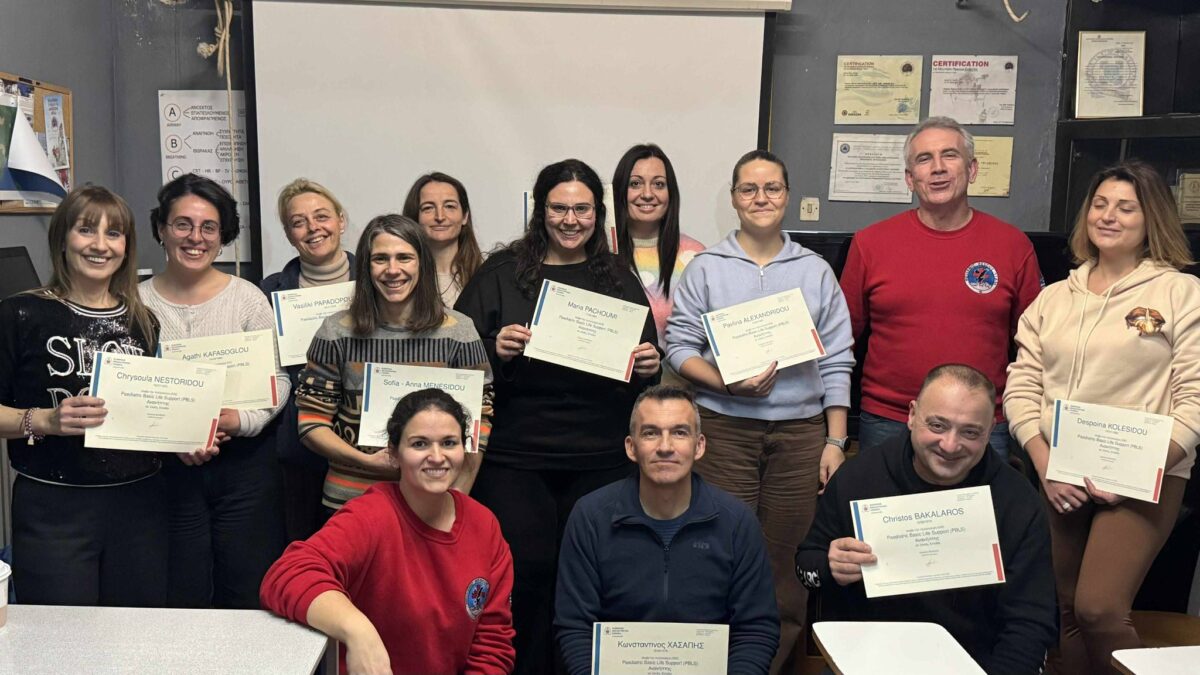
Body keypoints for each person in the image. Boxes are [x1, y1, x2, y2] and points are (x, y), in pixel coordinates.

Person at [455, 158, 661, 675]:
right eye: (559, 208)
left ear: (598, 213)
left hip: (600, 458)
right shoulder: (500, 274)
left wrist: (649, 365)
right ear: (540, 211)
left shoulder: (617, 276)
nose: (571, 220)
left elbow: (646, 363)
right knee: (523, 576)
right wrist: (494, 348)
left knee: (593, 578)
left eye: (582, 209)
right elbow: (457, 357)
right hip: (516, 459)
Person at [1004, 161, 1200, 674]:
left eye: (1126, 208)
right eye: (1100, 204)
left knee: (1099, 607)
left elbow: (1194, 398)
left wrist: (1138, 471)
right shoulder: (1053, 299)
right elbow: (1021, 389)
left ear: (1150, 218)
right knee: (1068, 610)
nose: (1108, 216)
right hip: (1061, 473)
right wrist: (1044, 464)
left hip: (1147, 475)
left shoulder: (1180, 293)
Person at [665, 149, 853, 674]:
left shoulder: (814, 271)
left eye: (772, 188)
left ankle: (766, 667)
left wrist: (835, 441)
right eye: (749, 189)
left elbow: (838, 358)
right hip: (723, 431)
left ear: (787, 195)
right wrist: (725, 381)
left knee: (786, 562)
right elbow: (678, 346)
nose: (761, 198)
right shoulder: (707, 267)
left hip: (799, 437)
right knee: (716, 550)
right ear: (734, 198)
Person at [797, 364, 1057, 674]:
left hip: (973, 665)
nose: (950, 445)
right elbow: (806, 565)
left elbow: (1030, 623)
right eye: (937, 425)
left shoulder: (1017, 501)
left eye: (970, 432)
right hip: (865, 661)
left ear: (990, 430)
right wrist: (829, 567)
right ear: (911, 415)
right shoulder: (858, 477)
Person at [261, 388, 516, 675]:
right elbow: (288, 574)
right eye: (419, 444)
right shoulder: (371, 515)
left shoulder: (484, 525)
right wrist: (358, 630)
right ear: (394, 454)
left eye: (449, 443)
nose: (436, 456)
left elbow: (492, 646)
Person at [0, 186, 167, 607]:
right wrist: (44, 420)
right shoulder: (21, 314)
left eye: (114, 233)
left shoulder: (143, 321)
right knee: (62, 635)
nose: (100, 245)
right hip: (54, 511)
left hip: (140, 507)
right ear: (62, 238)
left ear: (126, 247)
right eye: (86, 229)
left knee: (135, 632)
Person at [839, 116, 1042, 457]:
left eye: (950, 155)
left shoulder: (1013, 246)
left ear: (972, 169)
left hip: (981, 422)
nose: (937, 168)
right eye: (924, 159)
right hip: (890, 419)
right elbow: (842, 337)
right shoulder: (870, 243)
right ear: (910, 178)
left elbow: (1035, 345)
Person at [140, 173, 290, 608]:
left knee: (248, 589)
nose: (195, 237)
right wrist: (176, 437)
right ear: (161, 229)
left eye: (209, 227)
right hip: (167, 471)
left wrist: (241, 420)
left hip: (244, 468)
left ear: (223, 236)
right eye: (182, 224)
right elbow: (129, 390)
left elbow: (279, 380)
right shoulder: (135, 302)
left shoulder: (248, 298)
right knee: (181, 591)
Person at [555, 385, 780, 675]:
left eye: (679, 433)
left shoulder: (737, 522)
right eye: (650, 433)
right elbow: (574, 626)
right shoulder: (590, 517)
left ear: (699, 446)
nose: (665, 446)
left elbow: (756, 630)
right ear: (631, 447)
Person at [296, 213, 493, 512]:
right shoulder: (335, 332)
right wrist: (366, 461)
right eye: (380, 259)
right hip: (351, 502)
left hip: (434, 503)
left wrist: (456, 496)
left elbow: (479, 423)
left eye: (404, 257)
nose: (392, 270)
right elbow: (311, 424)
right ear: (366, 266)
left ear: (422, 263)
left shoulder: (459, 332)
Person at [260, 178, 356, 542]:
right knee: (305, 545)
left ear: (341, 221)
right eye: (298, 222)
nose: (313, 228)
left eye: (322, 216)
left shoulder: (378, 278)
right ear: (289, 234)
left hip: (366, 442)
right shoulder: (269, 291)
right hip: (299, 449)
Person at [611, 144, 706, 348]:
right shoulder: (599, 250)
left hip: (678, 369)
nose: (647, 194)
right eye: (635, 183)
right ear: (619, 191)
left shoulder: (695, 256)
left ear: (670, 193)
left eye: (659, 184)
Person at [402, 171, 484, 307]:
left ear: (465, 216)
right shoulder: (400, 278)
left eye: (449, 206)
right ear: (415, 218)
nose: (440, 217)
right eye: (428, 208)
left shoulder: (487, 275)